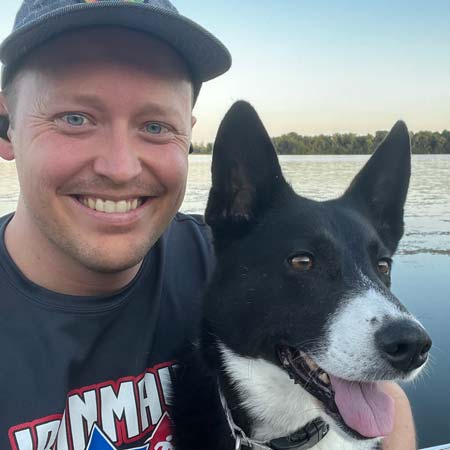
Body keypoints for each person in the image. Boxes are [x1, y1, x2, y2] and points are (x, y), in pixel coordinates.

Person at [0, 1, 416, 449]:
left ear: (189, 134)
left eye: (156, 126)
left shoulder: (231, 255)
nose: (119, 167)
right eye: (74, 118)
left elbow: (376, 384)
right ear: (6, 127)